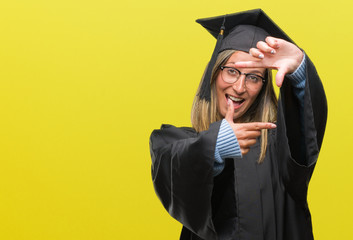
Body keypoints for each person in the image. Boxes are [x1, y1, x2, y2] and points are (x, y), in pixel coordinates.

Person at [149, 9, 327, 240]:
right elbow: (173, 170)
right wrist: (214, 146)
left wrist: (300, 71)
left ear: (263, 88)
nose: (240, 87)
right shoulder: (176, 141)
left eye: (253, 77)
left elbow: (307, 130)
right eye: (232, 71)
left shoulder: (279, 147)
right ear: (213, 74)